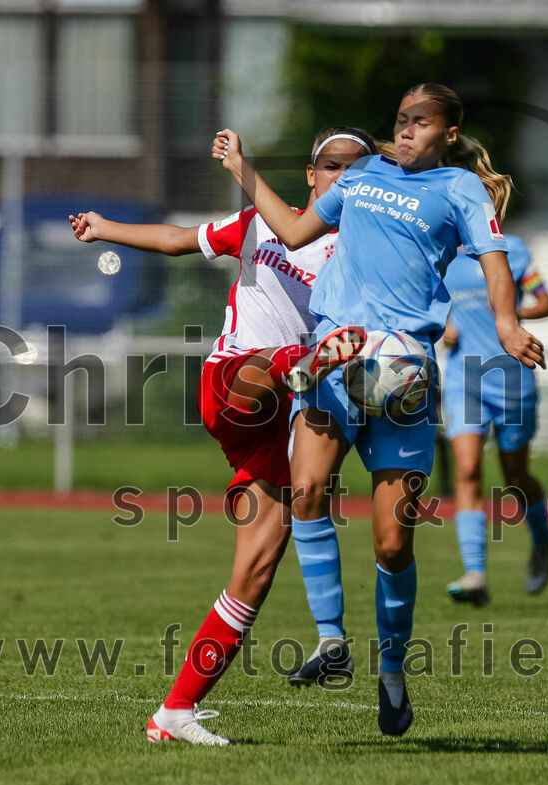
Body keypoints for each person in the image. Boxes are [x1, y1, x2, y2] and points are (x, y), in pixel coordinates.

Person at [213, 82, 545, 735]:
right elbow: (294, 227)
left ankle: (392, 670)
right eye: (402, 120)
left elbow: (496, 261)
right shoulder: (362, 176)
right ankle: (331, 640)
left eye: (422, 122)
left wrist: (507, 325)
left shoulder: (460, 190)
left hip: (404, 374)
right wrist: (243, 170)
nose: (408, 130)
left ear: (449, 133)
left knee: (393, 543)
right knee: (305, 489)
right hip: (337, 358)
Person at [69, 127, 378, 745]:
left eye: (359, 169)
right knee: (274, 365)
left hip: (284, 418)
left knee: (255, 572)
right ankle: (301, 359)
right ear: (312, 177)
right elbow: (181, 239)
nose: (345, 177)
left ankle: (174, 714)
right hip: (236, 382)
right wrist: (106, 229)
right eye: (333, 166)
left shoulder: (365, 256)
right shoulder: (262, 223)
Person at [440, 234, 548, 606]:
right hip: (464, 378)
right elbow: (428, 301)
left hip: (510, 378)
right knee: (468, 468)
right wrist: (442, 326)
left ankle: (542, 539)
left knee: (515, 478)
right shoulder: (441, 250)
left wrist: (510, 315)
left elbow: (547, 302)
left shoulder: (515, 251)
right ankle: (475, 573)